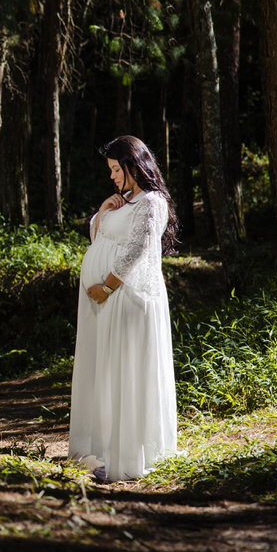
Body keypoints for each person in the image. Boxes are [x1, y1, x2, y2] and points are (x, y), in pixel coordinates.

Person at [69, 135, 179, 482]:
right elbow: (98, 237)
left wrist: (107, 286)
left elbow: (137, 249)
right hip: (105, 302)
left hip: (129, 299)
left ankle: (128, 455)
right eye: (111, 170)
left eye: (117, 169)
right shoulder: (125, 200)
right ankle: (105, 450)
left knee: (127, 373)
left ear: (134, 166)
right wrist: (103, 210)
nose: (113, 176)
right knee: (106, 374)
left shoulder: (152, 202)